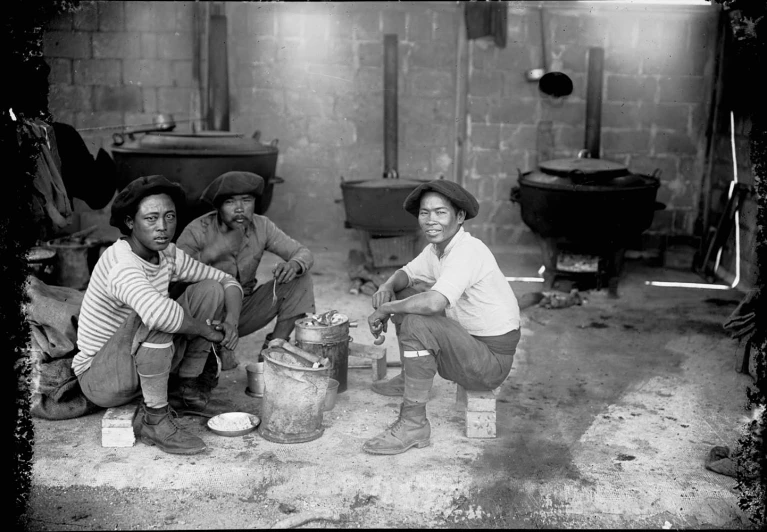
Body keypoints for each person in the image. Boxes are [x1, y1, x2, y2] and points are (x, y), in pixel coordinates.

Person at [72, 175, 243, 455]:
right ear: (130, 222)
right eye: (151, 218)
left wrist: (232, 322)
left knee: (210, 289)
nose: (163, 227)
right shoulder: (121, 262)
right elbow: (159, 314)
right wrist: (207, 331)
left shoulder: (168, 255)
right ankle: (156, 421)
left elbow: (226, 281)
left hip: (136, 364)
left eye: (169, 217)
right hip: (102, 378)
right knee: (158, 313)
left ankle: (186, 389)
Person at [363, 179, 521, 455]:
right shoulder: (438, 249)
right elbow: (407, 274)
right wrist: (387, 287)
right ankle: (408, 377)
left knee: (416, 319)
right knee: (406, 292)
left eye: (440, 212)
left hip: (489, 363)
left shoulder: (467, 250)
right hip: (468, 345)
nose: (430, 220)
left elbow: (434, 303)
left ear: (459, 217)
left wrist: (388, 308)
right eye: (425, 213)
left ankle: (413, 424)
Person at [175, 170, 315, 370]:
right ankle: (208, 354)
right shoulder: (197, 230)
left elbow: (303, 253)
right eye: (230, 202)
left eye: (246, 200)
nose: (239, 209)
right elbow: (174, 275)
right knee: (211, 289)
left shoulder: (262, 226)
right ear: (218, 207)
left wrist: (293, 265)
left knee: (300, 280)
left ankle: (273, 352)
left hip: (244, 309)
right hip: (204, 316)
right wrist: (210, 256)